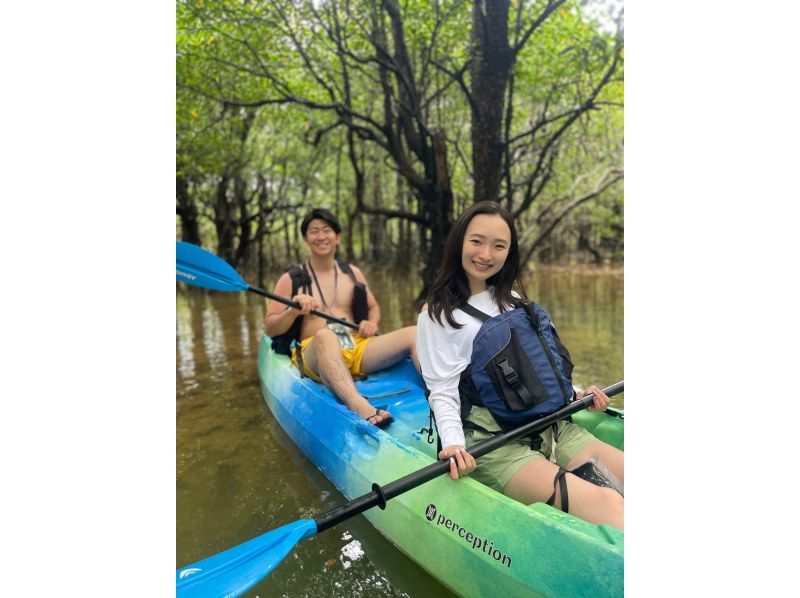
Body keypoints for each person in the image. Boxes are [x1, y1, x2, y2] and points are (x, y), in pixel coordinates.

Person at [416, 201, 624, 530]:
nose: (485, 254)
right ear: (459, 242)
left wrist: (576, 395)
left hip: (554, 427)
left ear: (509, 251)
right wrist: (454, 444)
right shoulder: (437, 314)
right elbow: (442, 389)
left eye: (498, 245)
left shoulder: (511, 299)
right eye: (476, 241)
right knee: (611, 505)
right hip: (495, 443)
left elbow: (536, 368)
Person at [264, 208, 419, 428]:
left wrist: (371, 323)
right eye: (314, 231)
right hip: (316, 351)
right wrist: (293, 311)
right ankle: (358, 404)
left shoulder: (352, 272)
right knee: (325, 335)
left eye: (326, 230)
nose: (320, 236)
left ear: (337, 237)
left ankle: (443, 393)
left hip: (356, 346)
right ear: (306, 239)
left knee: (414, 332)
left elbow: (373, 308)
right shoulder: (291, 278)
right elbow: (270, 327)